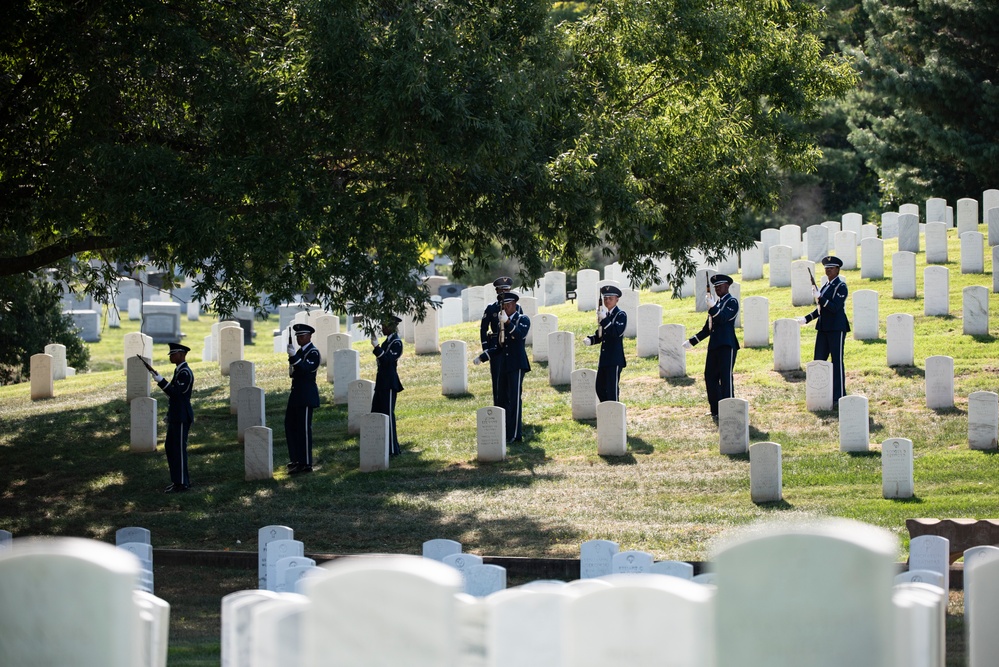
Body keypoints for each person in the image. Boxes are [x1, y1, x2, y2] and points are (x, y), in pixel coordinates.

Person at [474, 292, 530, 442]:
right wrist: (483, 356)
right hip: (504, 364)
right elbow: (499, 346)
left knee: (514, 399)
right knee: (502, 398)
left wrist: (508, 323)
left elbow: (519, 335)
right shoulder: (502, 323)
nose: (505, 307)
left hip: (517, 364)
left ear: (514, 305)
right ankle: (506, 431)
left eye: (508, 305)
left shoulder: (522, 319)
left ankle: (515, 434)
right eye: (504, 305)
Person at [683, 274, 740, 420]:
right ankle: (715, 409)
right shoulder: (717, 304)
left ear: (727, 286)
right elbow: (708, 328)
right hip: (714, 345)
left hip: (727, 345)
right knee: (710, 376)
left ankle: (729, 409)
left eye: (719, 286)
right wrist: (692, 341)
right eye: (715, 287)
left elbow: (722, 318)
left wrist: (713, 307)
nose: (717, 289)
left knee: (725, 378)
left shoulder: (732, 302)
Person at [797, 255, 851, 405]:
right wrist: (806, 319)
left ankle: (838, 395)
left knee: (837, 361)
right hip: (823, 327)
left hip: (836, 328)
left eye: (831, 268)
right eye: (826, 268)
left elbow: (834, 308)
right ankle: (820, 392)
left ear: (838, 270)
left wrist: (821, 297)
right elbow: (820, 309)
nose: (828, 271)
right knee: (818, 361)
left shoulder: (841, 287)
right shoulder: (826, 286)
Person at [148, 342, 194, 493]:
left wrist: (160, 380)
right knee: (171, 448)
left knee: (178, 450)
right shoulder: (179, 371)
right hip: (176, 415)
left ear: (182, 355)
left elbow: (177, 394)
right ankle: (177, 481)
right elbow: (172, 395)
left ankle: (182, 484)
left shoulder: (185, 372)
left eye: (173, 354)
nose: (171, 357)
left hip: (181, 416)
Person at [286, 323, 321, 474]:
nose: (299, 338)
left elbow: (306, 369)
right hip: (296, 394)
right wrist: (293, 357)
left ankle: (306, 462)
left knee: (304, 429)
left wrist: (293, 357)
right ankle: (296, 459)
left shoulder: (314, 353)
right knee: (291, 426)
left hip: (306, 395)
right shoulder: (300, 352)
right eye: (298, 336)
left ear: (309, 336)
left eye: (302, 336)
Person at [583, 284, 627, 402]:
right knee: (600, 388)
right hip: (605, 359)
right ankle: (606, 411)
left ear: (617, 300)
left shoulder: (620, 315)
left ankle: (614, 413)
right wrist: (591, 339)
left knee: (612, 389)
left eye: (610, 298)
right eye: (605, 298)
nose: (607, 301)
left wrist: (605, 319)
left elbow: (615, 333)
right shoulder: (606, 314)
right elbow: (602, 335)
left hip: (614, 358)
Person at [480, 276, 519, 406]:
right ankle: (499, 407)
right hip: (496, 345)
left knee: (512, 379)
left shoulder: (516, 308)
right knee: (497, 378)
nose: (504, 293)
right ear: (497, 292)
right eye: (502, 291)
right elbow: (484, 328)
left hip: (512, 346)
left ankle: (511, 409)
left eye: (507, 291)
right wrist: (485, 347)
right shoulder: (491, 309)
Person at [370, 316, 404, 456]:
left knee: (388, 415)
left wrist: (377, 347)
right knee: (377, 412)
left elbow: (387, 361)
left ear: (392, 326)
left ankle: (392, 448)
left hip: (389, 382)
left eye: (385, 326)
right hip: (381, 382)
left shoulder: (397, 343)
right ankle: (380, 445)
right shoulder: (387, 342)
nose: (382, 328)